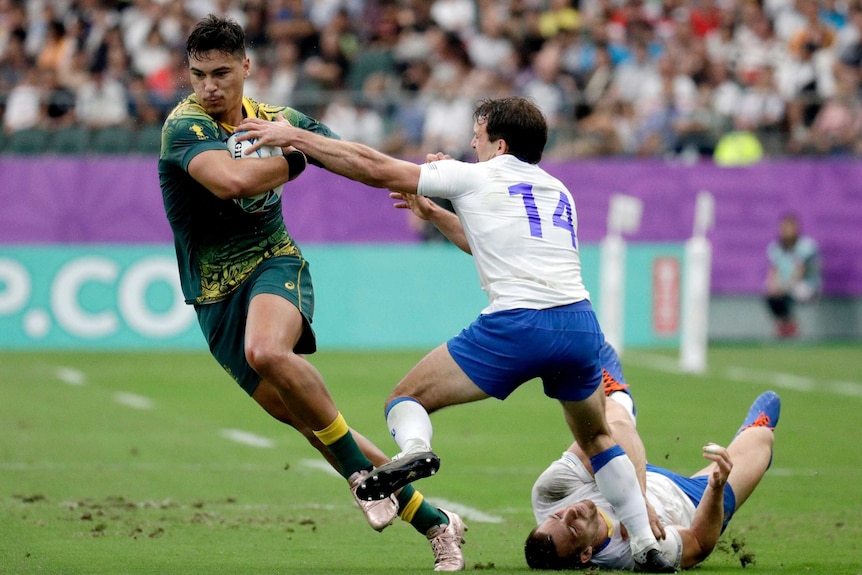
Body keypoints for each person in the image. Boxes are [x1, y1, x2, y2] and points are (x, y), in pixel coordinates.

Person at [236, 95, 675, 572]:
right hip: (579, 325)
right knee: (597, 439)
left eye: (478, 135)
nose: (471, 143)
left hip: (518, 325)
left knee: (406, 400)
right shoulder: (558, 191)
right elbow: (486, 242)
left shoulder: (476, 175)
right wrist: (434, 213)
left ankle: (415, 450)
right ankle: (646, 549)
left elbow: (372, 166)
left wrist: (295, 137)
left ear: (499, 142)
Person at [157, 15, 464, 571]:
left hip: (274, 263)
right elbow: (231, 181)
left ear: (247, 68)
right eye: (199, 75)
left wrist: (425, 183)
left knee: (267, 351)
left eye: (222, 73)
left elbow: (355, 160)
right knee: (317, 424)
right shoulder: (185, 127)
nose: (209, 88)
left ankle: (357, 478)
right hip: (213, 297)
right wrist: (298, 155)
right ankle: (437, 524)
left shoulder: (281, 120)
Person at [525, 390, 781, 571]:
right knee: (761, 440)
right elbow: (700, 543)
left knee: (610, 413)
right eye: (573, 528)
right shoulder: (633, 556)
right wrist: (716, 486)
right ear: (586, 554)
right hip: (691, 500)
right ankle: (754, 430)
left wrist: (639, 501)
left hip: (634, 474)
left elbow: (618, 430)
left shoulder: (549, 495)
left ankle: (618, 394)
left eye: (558, 516)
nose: (571, 512)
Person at [764, 213, 822, 338]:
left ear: (796, 229)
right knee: (772, 295)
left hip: (807, 285)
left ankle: (789, 326)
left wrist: (785, 286)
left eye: (790, 227)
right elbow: (774, 270)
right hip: (786, 285)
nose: (786, 231)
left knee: (785, 293)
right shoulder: (775, 248)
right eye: (784, 228)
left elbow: (801, 270)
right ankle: (786, 324)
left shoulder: (807, 246)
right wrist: (772, 286)